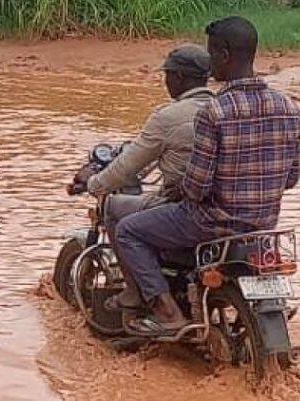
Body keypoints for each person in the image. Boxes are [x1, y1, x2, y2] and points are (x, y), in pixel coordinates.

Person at [116, 16, 300, 335]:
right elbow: (291, 179)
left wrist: (180, 191)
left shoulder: (214, 112)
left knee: (127, 231)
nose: (210, 63)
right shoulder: (288, 108)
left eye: (213, 53)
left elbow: (197, 187)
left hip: (209, 223)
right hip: (262, 226)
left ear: (225, 55)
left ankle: (167, 313)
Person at [71, 44, 214, 310]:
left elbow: (127, 166)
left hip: (189, 211)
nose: (166, 81)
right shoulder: (223, 109)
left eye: (168, 75)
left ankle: (147, 297)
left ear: (179, 77)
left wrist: (93, 184)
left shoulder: (168, 117)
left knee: (115, 213)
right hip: (228, 212)